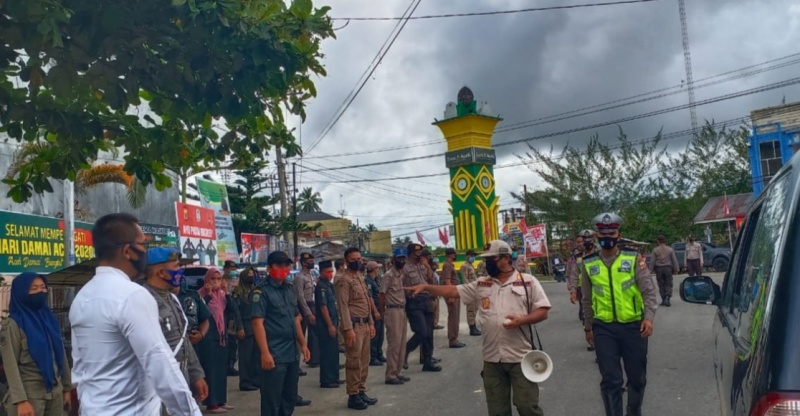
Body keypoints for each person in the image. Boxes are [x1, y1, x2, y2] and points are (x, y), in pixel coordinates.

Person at [69, 213, 201, 416]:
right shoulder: (132, 296)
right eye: (143, 245)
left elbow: (80, 370)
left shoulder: (82, 298)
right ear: (127, 251)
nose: (145, 253)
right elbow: (160, 366)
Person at [405, 240, 551, 416]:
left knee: (527, 407)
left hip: (520, 357)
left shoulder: (527, 282)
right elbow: (453, 291)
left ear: (506, 258)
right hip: (492, 359)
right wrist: (427, 287)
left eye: (493, 258)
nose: (487, 262)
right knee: (497, 410)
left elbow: (543, 311)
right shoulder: (482, 284)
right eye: (486, 259)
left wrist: (522, 320)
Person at [580, 213, 658, 416]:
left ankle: (634, 412)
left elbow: (648, 291)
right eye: (603, 233)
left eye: (612, 232)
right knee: (611, 380)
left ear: (618, 234)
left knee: (637, 378)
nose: (608, 236)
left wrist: (648, 317)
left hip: (634, 327)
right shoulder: (588, 263)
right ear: (597, 235)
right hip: (604, 328)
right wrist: (588, 327)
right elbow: (586, 299)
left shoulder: (633, 259)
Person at [143, 248, 210, 414]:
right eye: (176, 266)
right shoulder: (143, 300)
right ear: (161, 272)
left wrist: (196, 375)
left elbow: (183, 340)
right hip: (160, 384)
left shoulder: (171, 298)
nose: (180, 271)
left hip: (182, 376)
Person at [1, 272, 73, 416]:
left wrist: (66, 388)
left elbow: (60, 355)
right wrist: (20, 401)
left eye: (43, 287)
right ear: (21, 293)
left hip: (55, 393)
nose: (40, 292)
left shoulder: (49, 319)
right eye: (33, 288)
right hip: (29, 396)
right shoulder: (13, 324)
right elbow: (11, 366)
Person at [251, 251, 311, 416]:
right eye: (279, 265)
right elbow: (257, 323)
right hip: (274, 354)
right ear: (270, 268)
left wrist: (303, 344)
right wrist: (265, 353)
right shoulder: (261, 292)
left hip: (291, 353)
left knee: (289, 398)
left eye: (286, 265)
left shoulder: (289, 289)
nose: (283, 269)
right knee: (272, 402)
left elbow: (295, 319)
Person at [336, 247, 378, 410]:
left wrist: (371, 322)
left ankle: (361, 390)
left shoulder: (359, 276)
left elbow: (366, 302)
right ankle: (353, 395)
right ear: (346, 261)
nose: (358, 261)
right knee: (353, 361)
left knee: (364, 360)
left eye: (359, 258)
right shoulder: (343, 280)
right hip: (353, 326)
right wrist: (348, 329)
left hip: (365, 324)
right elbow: (343, 305)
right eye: (354, 259)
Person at [197, 268, 241, 413]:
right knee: (211, 370)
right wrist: (208, 295)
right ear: (207, 281)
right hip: (209, 337)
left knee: (221, 370)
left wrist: (227, 293)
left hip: (222, 336)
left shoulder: (222, 295)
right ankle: (211, 403)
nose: (216, 282)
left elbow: (234, 309)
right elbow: (200, 312)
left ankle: (221, 400)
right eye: (213, 279)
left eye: (218, 279)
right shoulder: (201, 295)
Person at [402, 244, 441, 373]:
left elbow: (430, 279)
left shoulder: (422, 265)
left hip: (426, 300)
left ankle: (428, 360)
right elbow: (401, 286)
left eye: (420, 253)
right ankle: (406, 350)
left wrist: (428, 266)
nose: (419, 255)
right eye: (416, 253)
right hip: (414, 301)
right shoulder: (405, 268)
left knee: (429, 333)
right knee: (422, 331)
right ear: (411, 253)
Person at [379, 248, 411, 385]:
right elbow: (381, 294)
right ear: (393, 259)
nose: (402, 261)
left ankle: (398, 372)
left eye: (403, 258)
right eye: (399, 258)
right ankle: (390, 375)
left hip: (401, 310)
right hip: (392, 311)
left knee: (402, 342)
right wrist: (382, 312)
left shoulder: (400, 274)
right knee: (394, 344)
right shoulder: (388, 275)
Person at [314, 260, 342, 388]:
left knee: (334, 352)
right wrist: (330, 325)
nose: (330, 274)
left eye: (331, 271)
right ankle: (327, 380)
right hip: (326, 325)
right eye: (327, 272)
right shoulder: (321, 287)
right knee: (327, 353)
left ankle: (334, 377)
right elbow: (323, 307)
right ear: (321, 272)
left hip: (334, 322)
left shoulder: (329, 285)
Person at [233, 268, 260, 391]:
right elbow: (236, 311)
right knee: (245, 357)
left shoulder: (254, 290)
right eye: (248, 274)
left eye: (252, 274)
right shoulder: (238, 291)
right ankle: (245, 382)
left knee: (255, 356)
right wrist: (240, 327)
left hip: (254, 326)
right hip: (244, 326)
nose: (251, 276)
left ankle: (255, 380)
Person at [295, 253, 320, 368]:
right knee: (300, 335)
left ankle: (313, 359)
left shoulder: (310, 275)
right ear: (303, 263)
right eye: (309, 261)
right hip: (303, 306)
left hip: (311, 304)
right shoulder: (299, 277)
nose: (312, 263)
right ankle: (296, 364)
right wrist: (308, 313)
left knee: (314, 333)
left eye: (312, 260)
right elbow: (300, 297)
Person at [441, 248, 465, 348]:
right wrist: (450, 295)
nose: (456, 256)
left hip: (455, 293)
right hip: (452, 294)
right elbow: (447, 281)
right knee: (453, 317)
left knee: (455, 316)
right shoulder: (447, 265)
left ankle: (454, 338)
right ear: (452, 255)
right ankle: (452, 339)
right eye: (455, 254)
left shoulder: (450, 265)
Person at [364, 261, 386, 366]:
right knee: (375, 335)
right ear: (374, 269)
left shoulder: (376, 280)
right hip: (374, 310)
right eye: (377, 268)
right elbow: (370, 297)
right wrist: (375, 311)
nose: (379, 270)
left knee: (381, 334)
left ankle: (379, 354)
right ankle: (373, 357)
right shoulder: (368, 281)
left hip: (380, 308)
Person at [649, 235, 679, 307]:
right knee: (668, 283)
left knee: (661, 284)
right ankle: (667, 297)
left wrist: (650, 270)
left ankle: (663, 299)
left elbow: (652, 261)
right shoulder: (670, 249)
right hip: (668, 268)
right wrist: (676, 269)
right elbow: (674, 260)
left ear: (658, 241)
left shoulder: (655, 250)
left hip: (659, 268)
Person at [222, 261, 241, 377]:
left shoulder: (236, 282)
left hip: (232, 314)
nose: (232, 270)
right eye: (230, 268)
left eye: (234, 268)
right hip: (222, 313)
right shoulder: (220, 280)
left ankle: (231, 365)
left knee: (233, 341)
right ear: (225, 269)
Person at [460, 249, 482, 336]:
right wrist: (469, 291)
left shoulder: (471, 265)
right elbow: (465, 280)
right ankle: (472, 328)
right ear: (467, 256)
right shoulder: (465, 266)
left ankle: (474, 326)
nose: (473, 257)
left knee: (474, 309)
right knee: (470, 310)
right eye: (472, 256)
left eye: (474, 256)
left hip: (474, 290)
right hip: (470, 291)